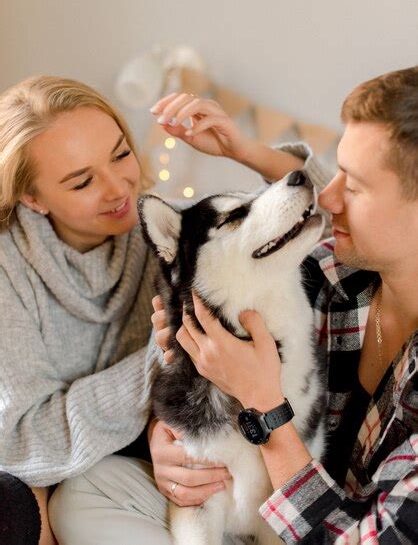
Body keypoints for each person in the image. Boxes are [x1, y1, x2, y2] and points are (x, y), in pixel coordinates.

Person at [0, 75, 302, 545]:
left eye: (121, 154)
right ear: (32, 198)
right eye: (82, 181)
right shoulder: (9, 270)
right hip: (58, 476)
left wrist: (243, 149)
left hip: (169, 469)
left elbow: (330, 213)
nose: (119, 188)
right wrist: (155, 364)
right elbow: (23, 438)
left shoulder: (174, 238)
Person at [149, 66, 418, 543]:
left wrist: (265, 406)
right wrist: (173, 438)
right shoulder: (340, 277)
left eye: (352, 186)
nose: (328, 196)